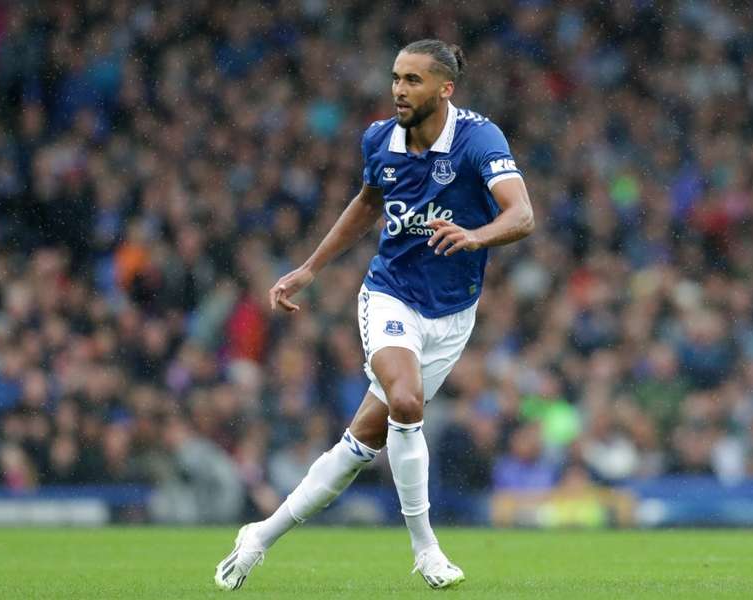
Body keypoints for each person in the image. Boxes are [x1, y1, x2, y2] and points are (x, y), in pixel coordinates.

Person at [215, 38, 534, 591]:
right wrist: (310, 268)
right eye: (395, 78)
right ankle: (426, 549)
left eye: (412, 80)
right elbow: (368, 201)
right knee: (406, 401)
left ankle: (259, 536)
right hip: (390, 296)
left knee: (360, 445)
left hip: (453, 315)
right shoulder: (380, 139)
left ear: (445, 88)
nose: (398, 90)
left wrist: (475, 235)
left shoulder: (479, 138)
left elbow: (523, 214)